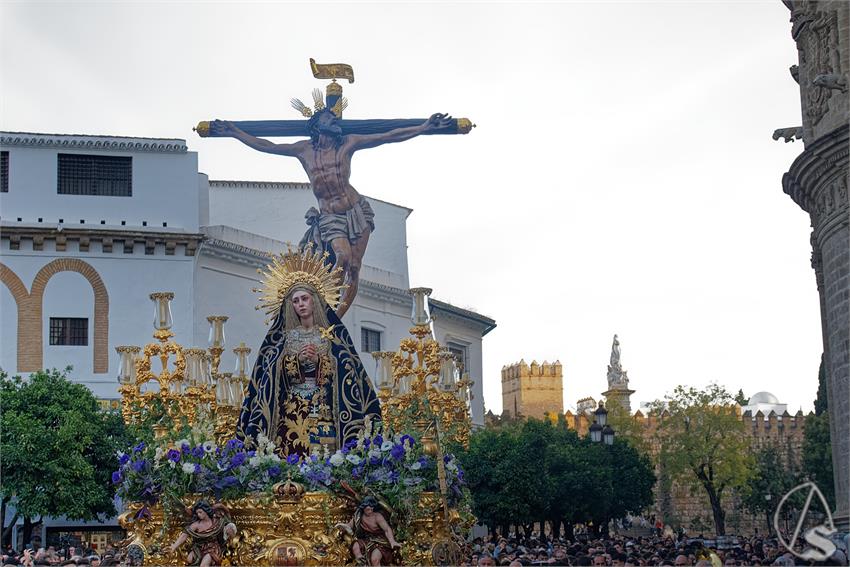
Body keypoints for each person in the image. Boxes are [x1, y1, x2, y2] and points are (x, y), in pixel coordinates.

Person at [211, 110, 453, 318]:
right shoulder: (303, 150)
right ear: (317, 126)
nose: (336, 122)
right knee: (342, 258)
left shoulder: (348, 143)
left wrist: (423, 127)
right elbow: (267, 145)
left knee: (355, 267)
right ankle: (325, 310)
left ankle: (335, 319)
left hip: (356, 210)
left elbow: (387, 136)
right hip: (330, 217)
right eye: (330, 119)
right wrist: (234, 131)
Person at [237, 246, 382, 456]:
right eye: (295, 301)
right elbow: (267, 374)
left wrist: (321, 361)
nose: (300, 305)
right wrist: (294, 361)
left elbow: (348, 370)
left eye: (304, 299)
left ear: (314, 299)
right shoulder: (282, 338)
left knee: (323, 456)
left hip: (322, 408)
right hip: (289, 413)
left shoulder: (332, 337)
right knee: (288, 457)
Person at [168, 500, 237, 567]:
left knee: (203, 565)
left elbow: (229, 527)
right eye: (197, 513)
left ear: (206, 511)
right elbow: (184, 535)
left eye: (200, 512)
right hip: (199, 547)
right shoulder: (196, 524)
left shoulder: (217, 522)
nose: (199, 515)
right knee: (189, 560)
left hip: (212, 548)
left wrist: (230, 529)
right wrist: (174, 546)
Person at [337, 496, 401, 566]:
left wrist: (392, 541)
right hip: (367, 540)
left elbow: (387, 529)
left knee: (374, 559)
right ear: (363, 507)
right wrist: (342, 526)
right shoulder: (359, 515)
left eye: (372, 507)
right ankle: (362, 563)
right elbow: (349, 526)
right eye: (368, 508)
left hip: (380, 541)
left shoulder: (377, 516)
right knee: (355, 546)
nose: (370, 509)